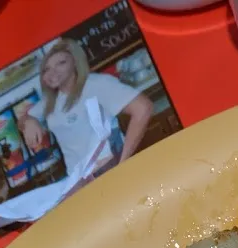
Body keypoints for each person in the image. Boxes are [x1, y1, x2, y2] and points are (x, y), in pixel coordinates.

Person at [18, 39, 153, 176]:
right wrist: (29, 121)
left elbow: (143, 108)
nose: (53, 72)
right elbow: (22, 119)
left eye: (61, 63)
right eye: (47, 69)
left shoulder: (95, 84)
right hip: (79, 179)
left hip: (107, 169)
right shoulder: (51, 100)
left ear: (75, 63)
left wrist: (122, 161)